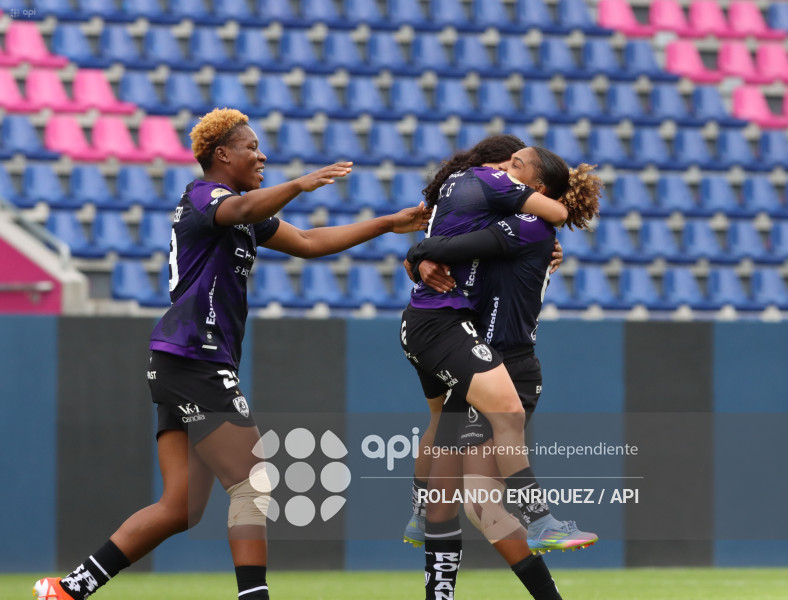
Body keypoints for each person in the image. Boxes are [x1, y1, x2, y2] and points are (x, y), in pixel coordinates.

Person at [33, 108, 430, 600]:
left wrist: (391, 222)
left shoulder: (241, 212)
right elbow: (241, 210)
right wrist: (300, 185)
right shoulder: (206, 198)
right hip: (193, 357)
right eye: (251, 147)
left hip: (183, 360)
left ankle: (69, 589)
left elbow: (307, 241)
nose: (262, 155)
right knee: (252, 482)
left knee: (180, 507)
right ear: (222, 154)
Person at [398, 140, 601, 600]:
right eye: (501, 162)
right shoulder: (512, 219)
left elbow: (463, 241)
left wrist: (419, 252)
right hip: (476, 358)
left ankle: (540, 530)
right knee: (465, 503)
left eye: (514, 165)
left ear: (536, 187)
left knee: (478, 501)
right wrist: (423, 257)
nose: (498, 171)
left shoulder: (528, 224)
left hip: (508, 365)